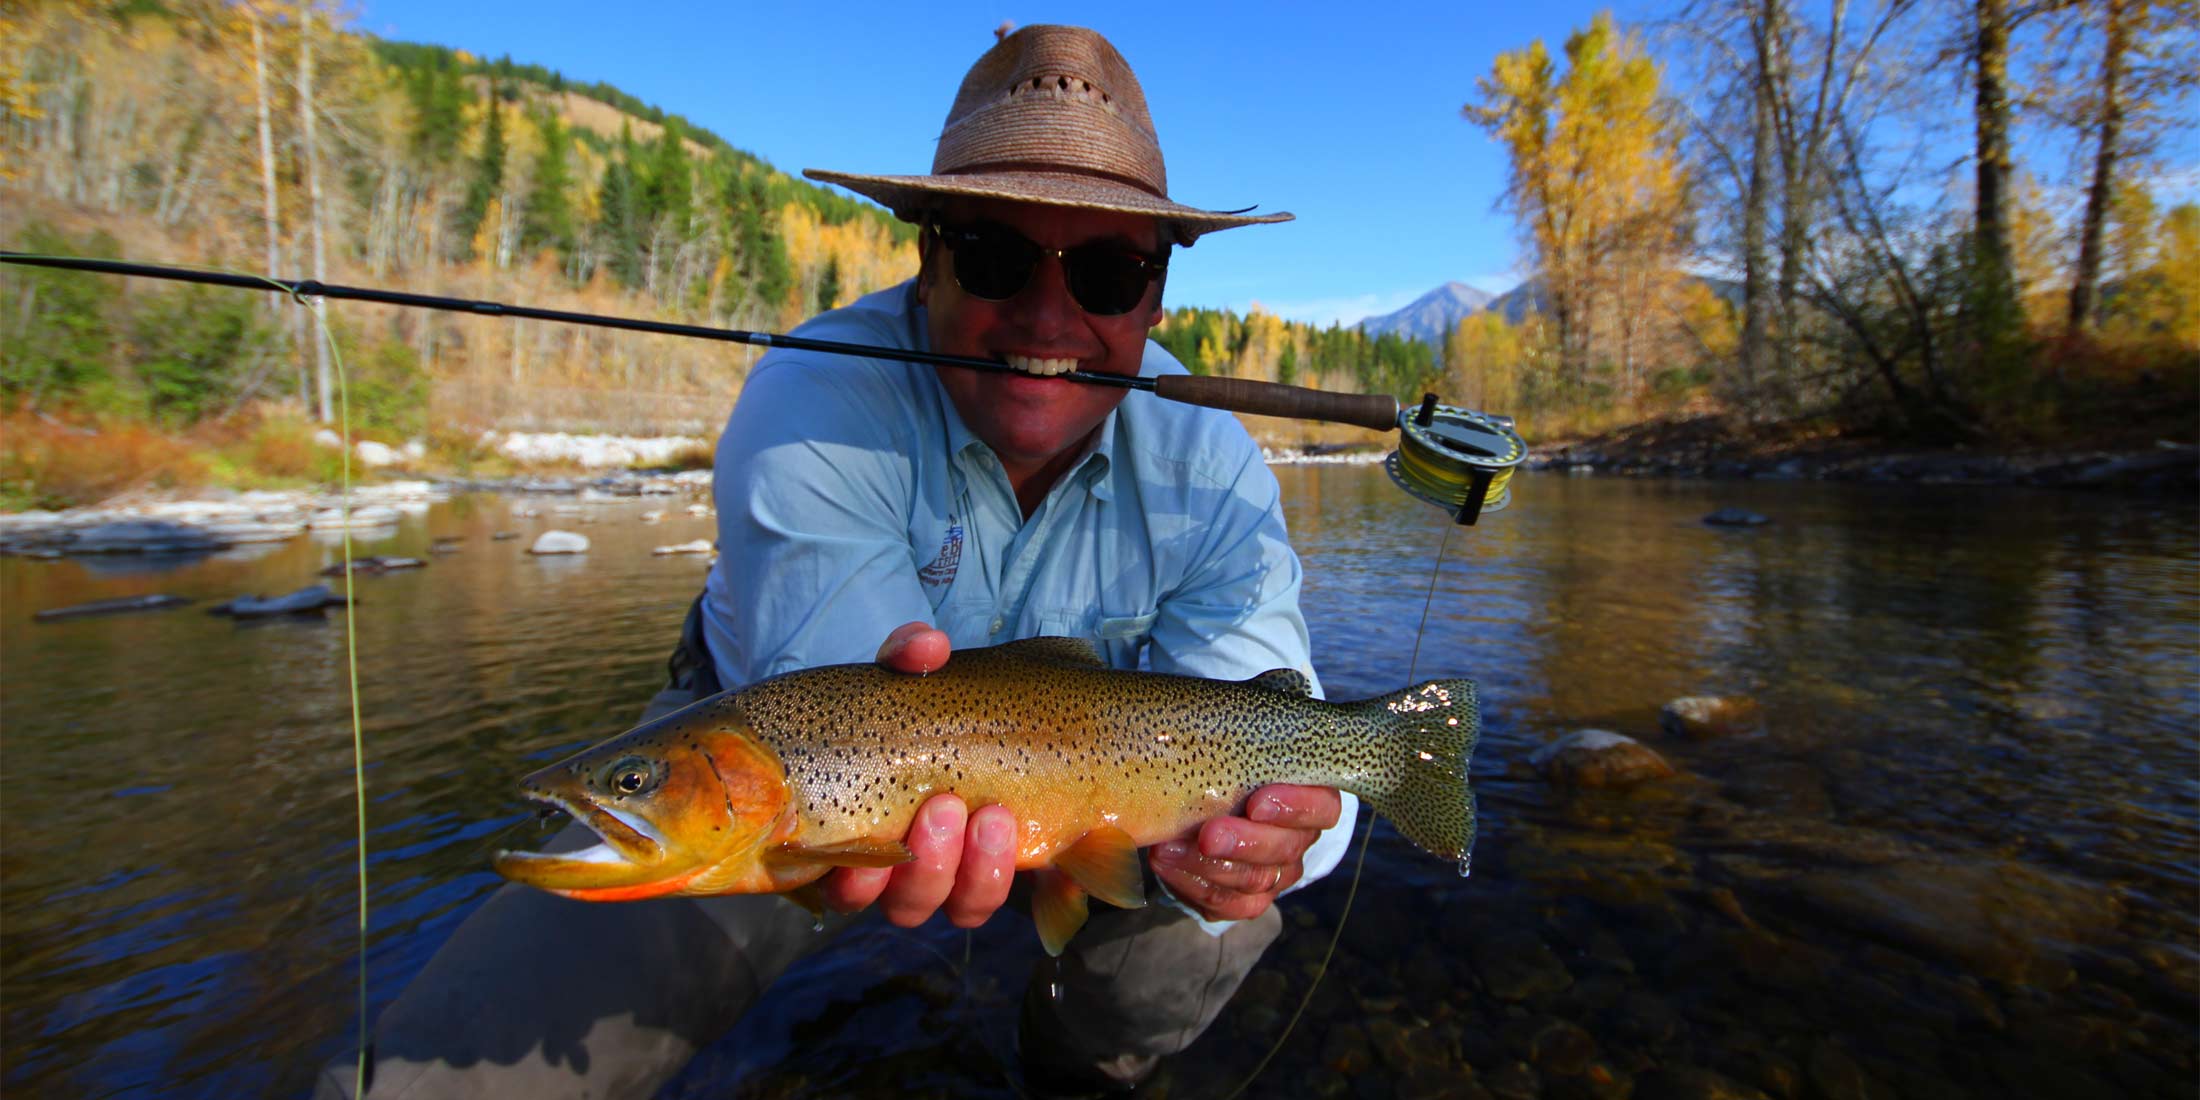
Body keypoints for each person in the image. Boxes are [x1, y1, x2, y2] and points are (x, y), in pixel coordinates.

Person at [320, 24, 1355, 1098]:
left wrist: (1267, 840)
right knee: (418, 1081)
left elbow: (1301, 745)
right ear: (928, 255)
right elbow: (838, 747)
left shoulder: (1213, 469)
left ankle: (1078, 1065)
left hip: (1100, 797)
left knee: (1217, 921)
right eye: (997, 256)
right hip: (777, 760)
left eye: (1104, 271)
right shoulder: (813, 401)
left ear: (1155, 296)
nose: (1049, 315)